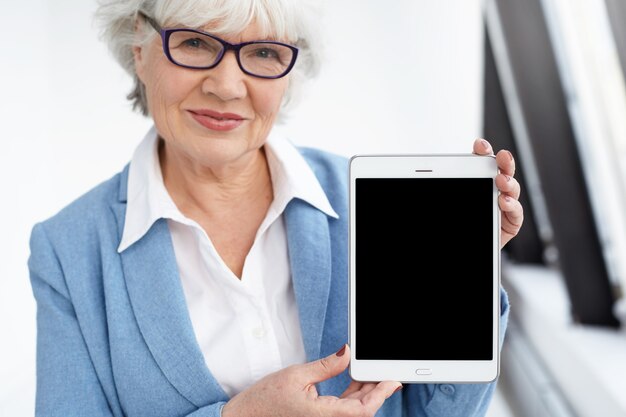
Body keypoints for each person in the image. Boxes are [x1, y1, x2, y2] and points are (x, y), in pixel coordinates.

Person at [27, 0, 524, 416]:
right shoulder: (68, 252)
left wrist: (464, 277)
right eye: (195, 42)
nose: (226, 85)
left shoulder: (377, 207)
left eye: (263, 52)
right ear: (140, 46)